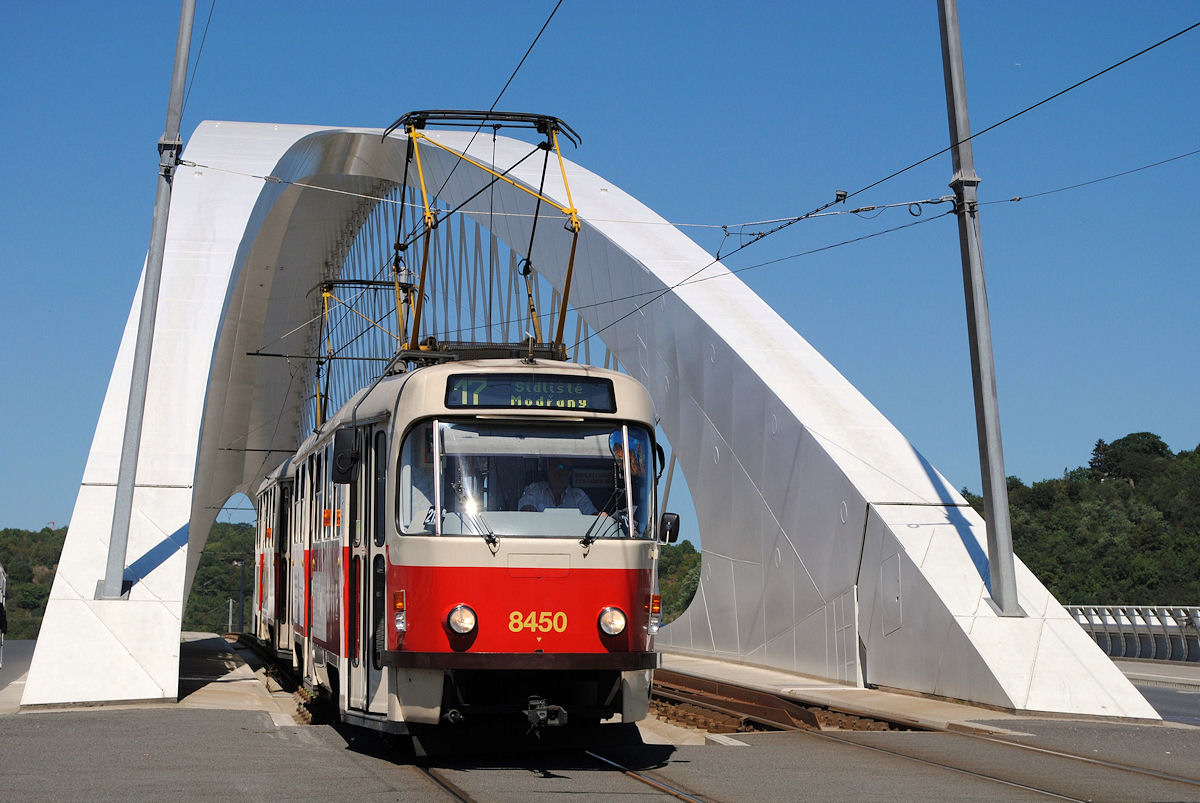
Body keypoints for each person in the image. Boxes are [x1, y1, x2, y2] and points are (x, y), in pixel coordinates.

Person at [519, 460, 597, 514]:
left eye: (566, 468)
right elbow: (526, 511)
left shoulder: (578, 496)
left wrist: (599, 516)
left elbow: (593, 517)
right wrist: (529, 509)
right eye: (558, 466)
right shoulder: (535, 490)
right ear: (549, 469)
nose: (561, 472)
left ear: (570, 473)